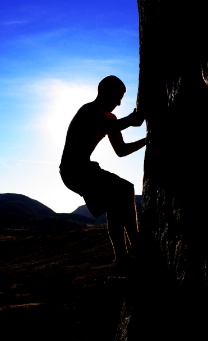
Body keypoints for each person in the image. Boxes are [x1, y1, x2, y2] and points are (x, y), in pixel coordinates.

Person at [59, 75, 146, 270]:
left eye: (121, 98)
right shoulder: (88, 111)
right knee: (124, 189)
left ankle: (123, 258)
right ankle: (136, 245)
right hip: (73, 169)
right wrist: (131, 120)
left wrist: (147, 140)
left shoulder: (110, 119)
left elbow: (121, 150)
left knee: (116, 202)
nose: (119, 102)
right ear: (104, 92)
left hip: (83, 168)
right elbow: (106, 127)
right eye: (117, 96)